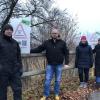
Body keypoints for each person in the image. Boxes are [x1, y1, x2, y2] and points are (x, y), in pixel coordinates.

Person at [30, 28, 69, 100]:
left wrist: (66, 63)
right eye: (53, 33)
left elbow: (66, 53)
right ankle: (45, 95)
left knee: (57, 80)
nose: (54, 34)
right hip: (50, 65)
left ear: (58, 34)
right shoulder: (47, 42)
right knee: (47, 80)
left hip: (59, 65)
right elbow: (39, 49)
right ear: (51, 34)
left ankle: (56, 94)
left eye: (56, 33)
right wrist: (29, 50)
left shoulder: (62, 43)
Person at [0, 24, 23, 100]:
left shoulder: (15, 43)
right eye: (7, 29)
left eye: (11, 30)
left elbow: (19, 57)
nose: (9, 31)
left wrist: (20, 68)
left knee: (18, 90)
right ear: (4, 31)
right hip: (3, 71)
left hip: (15, 71)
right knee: (2, 92)